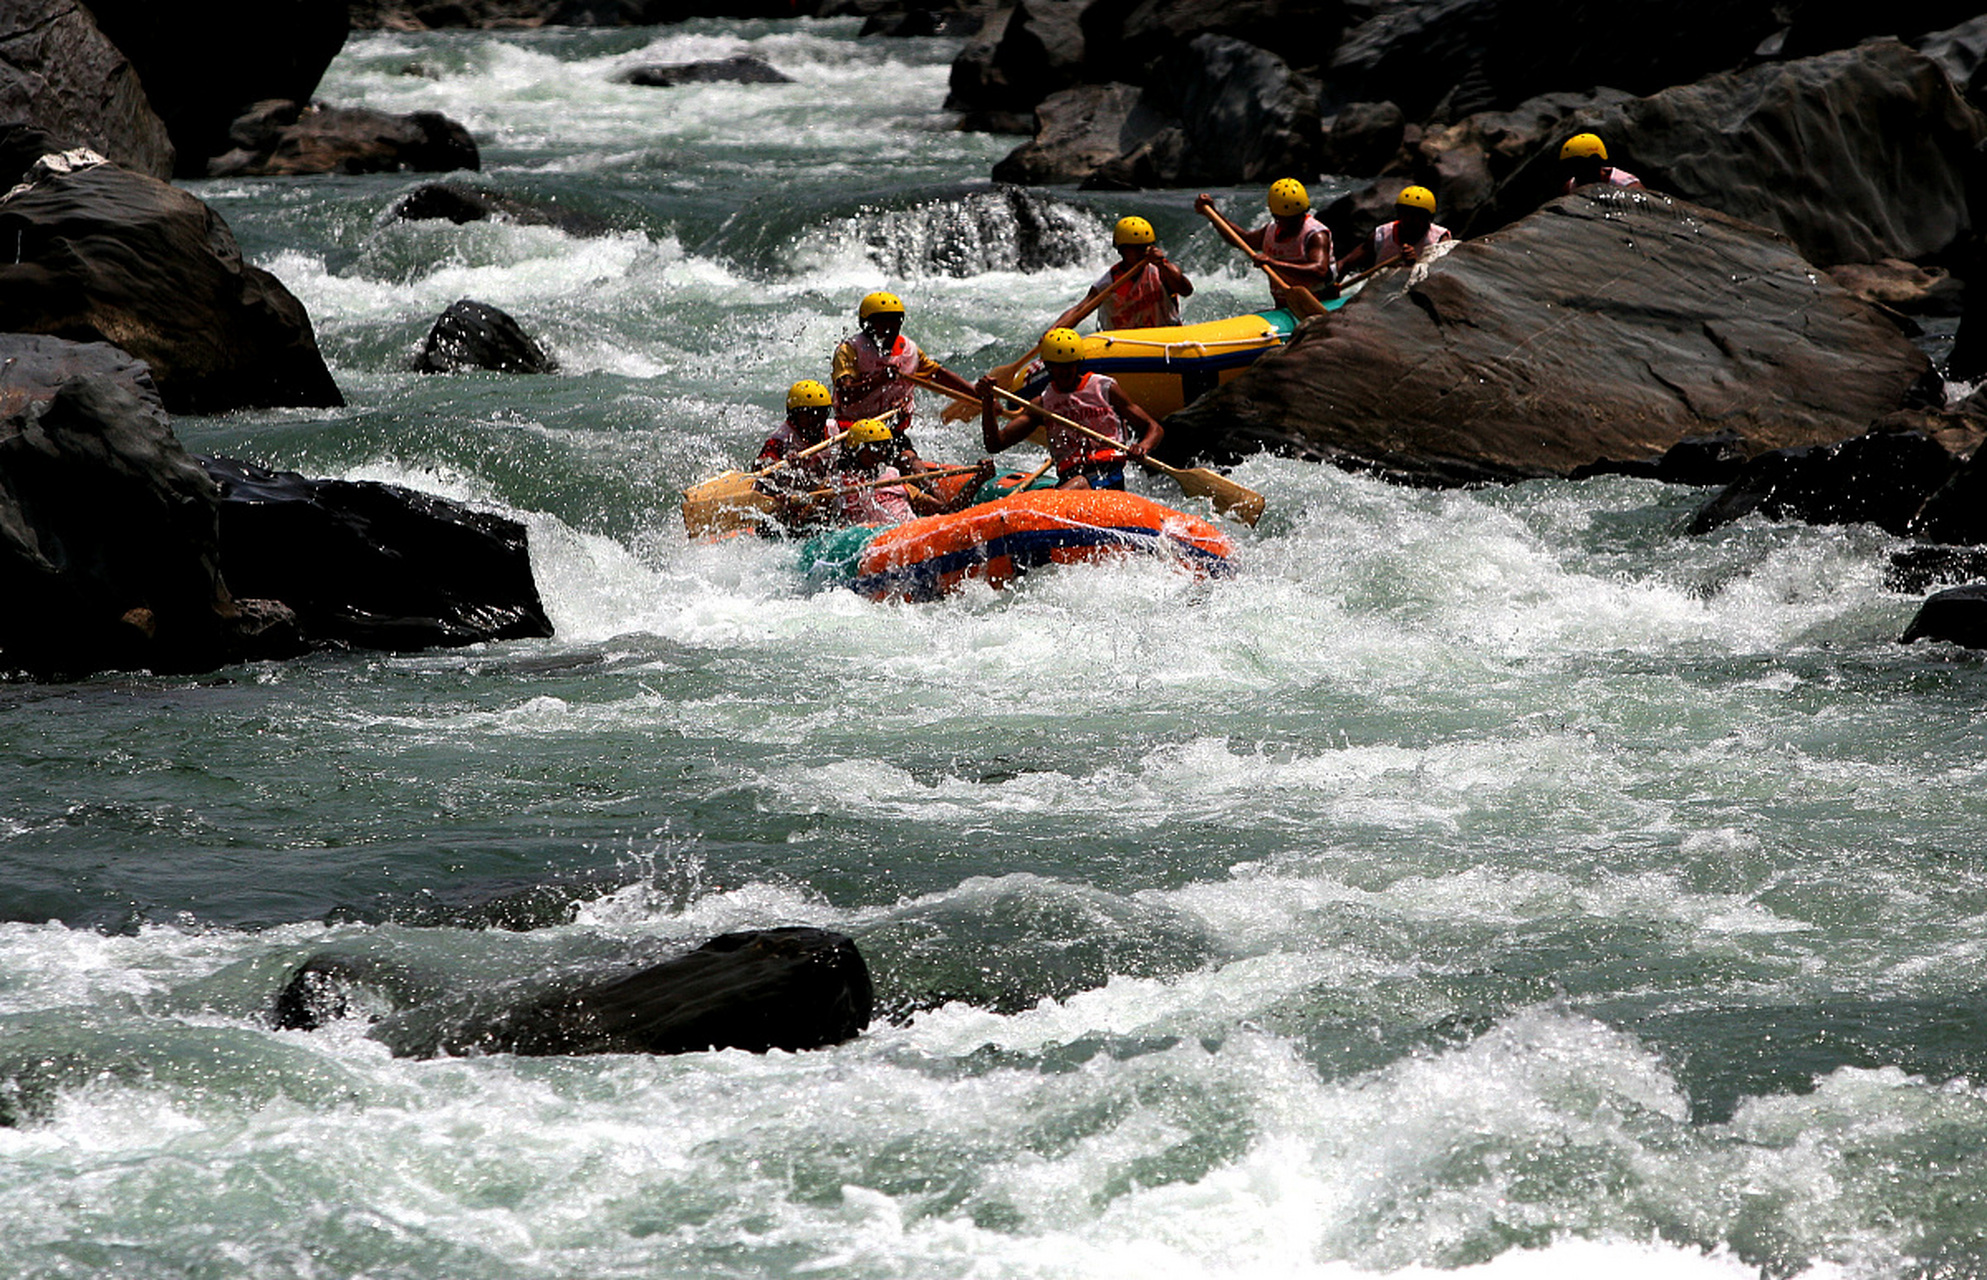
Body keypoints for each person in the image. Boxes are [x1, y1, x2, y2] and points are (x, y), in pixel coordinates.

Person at [975, 328, 1163, 492]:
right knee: (1065, 488)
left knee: (1064, 492)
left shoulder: (1105, 388)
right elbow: (995, 444)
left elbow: (1153, 427)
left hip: (1107, 474)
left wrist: (1143, 446)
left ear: (1078, 363)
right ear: (1048, 366)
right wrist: (987, 401)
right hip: (1070, 477)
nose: (1065, 372)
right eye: (1058, 366)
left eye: (1069, 365)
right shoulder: (1043, 404)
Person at [831, 291, 977, 471]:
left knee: (914, 466)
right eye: (883, 321)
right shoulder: (849, 350)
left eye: (895, 321)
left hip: (892, 432)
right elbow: (846, 395)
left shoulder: (908, 350)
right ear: (867, 324)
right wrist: (879, 380)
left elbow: (939, 375)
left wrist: (977, 394)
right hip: (854, 435)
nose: (890, 327)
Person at [822, 417, 991, 526]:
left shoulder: (893, 477)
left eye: (883, 447)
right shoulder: (838, 484)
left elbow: (947, 510)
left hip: (910, 535)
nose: (879, 453)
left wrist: (978, 480)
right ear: (855, 450)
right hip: (872, 542)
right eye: (873, 448)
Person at [1193, 178, 1333, 304]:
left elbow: (1319, 271)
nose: (1294, 224)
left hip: (1319, 302)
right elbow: (1242, 240)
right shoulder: (1271, 231)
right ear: (1275, 216)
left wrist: (1273, 263)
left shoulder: (1316, 235)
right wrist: (1212, 214)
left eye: (1298, 217)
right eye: (1287, 220)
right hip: (1284, 306)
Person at [1049, 215, 1194, 333]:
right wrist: (1055, 330)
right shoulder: (1108, 283)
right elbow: (1080, 310)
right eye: (1135, 248)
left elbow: (1186, 290)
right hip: (1125, 347)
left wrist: (1162, 264)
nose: (1141, 253)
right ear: (1121, 250)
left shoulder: (1163, 270)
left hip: (1164, 338)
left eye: (1145, 247)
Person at [1333, 185, 1452, 279]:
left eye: (1417, 215)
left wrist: (1416, 264)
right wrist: (1331, 281)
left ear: (1429, 218)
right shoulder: (1381, 235)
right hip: (1379, 293)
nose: (1410, 220)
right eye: (1405, 214)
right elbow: (1346, 263)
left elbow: (1442, 277)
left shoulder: (1440, 239)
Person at [1559, 133, 1643, 194]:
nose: (1576, 170)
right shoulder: (1570, 188)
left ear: (1595, 162)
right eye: (1571, 165)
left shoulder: (1628, 186)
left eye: (1580, 164)